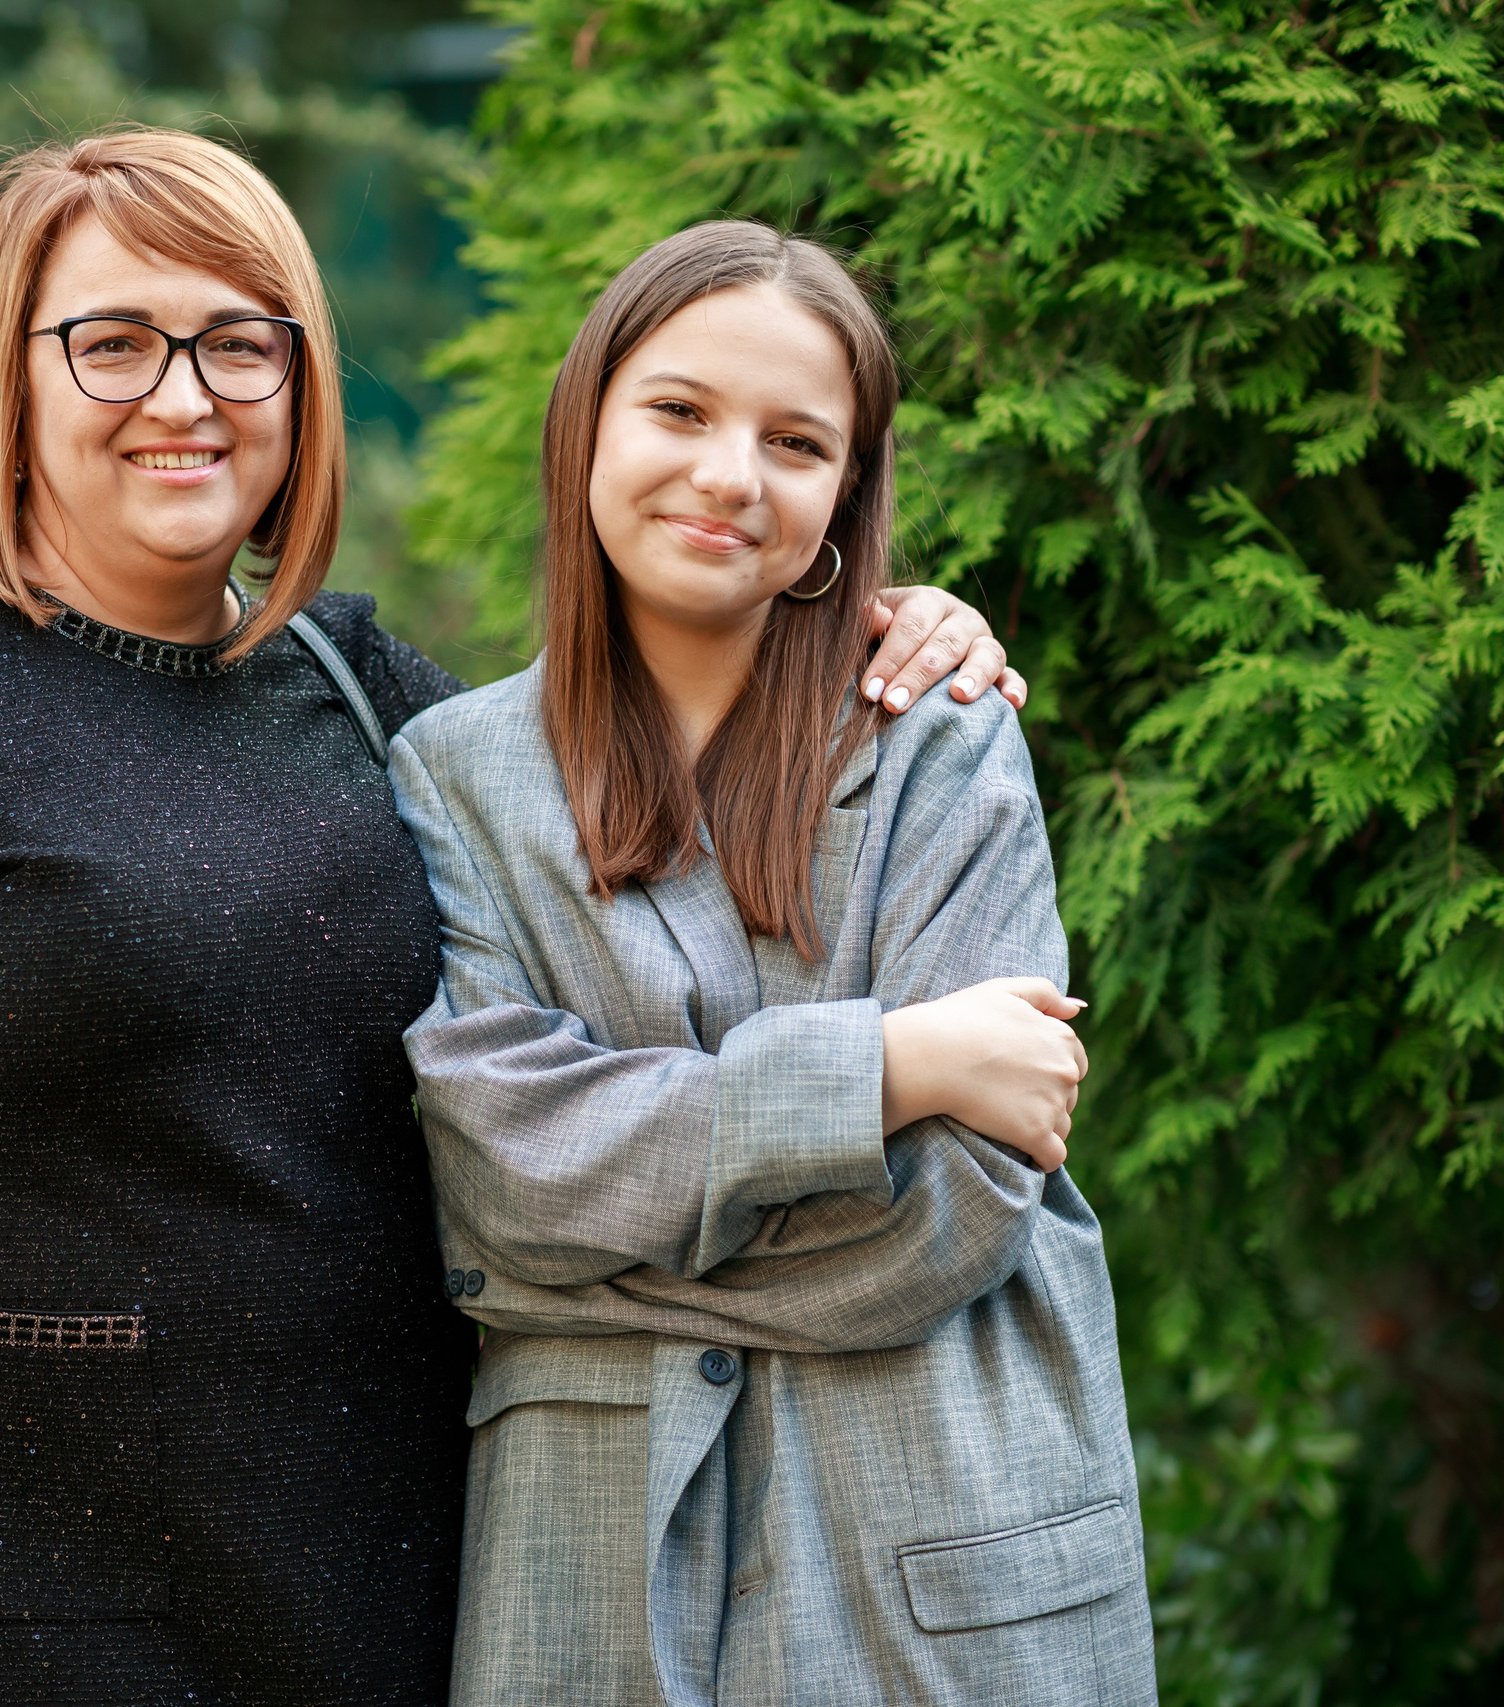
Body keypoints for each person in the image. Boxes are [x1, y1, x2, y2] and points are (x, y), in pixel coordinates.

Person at [0, 130, 1020, 1707]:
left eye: (241, 344)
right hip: (23, 1585)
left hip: (407, 1576)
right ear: (7, 376)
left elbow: (676, 868)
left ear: (299, 385)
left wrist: (866, 622)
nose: (184, 396)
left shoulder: (378, 701)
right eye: (112, 343)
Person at [391, 221, 1156, 1705]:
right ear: (586, 420)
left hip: (936, 1555)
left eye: (797, 442)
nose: (732, 475)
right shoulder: (455, 776)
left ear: (844, 494)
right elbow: (496, 1180)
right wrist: (893, 1065)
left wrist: (591, 1259)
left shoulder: (941, 745)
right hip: (595, 1580)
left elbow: (962, 1204)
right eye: (680, 410)